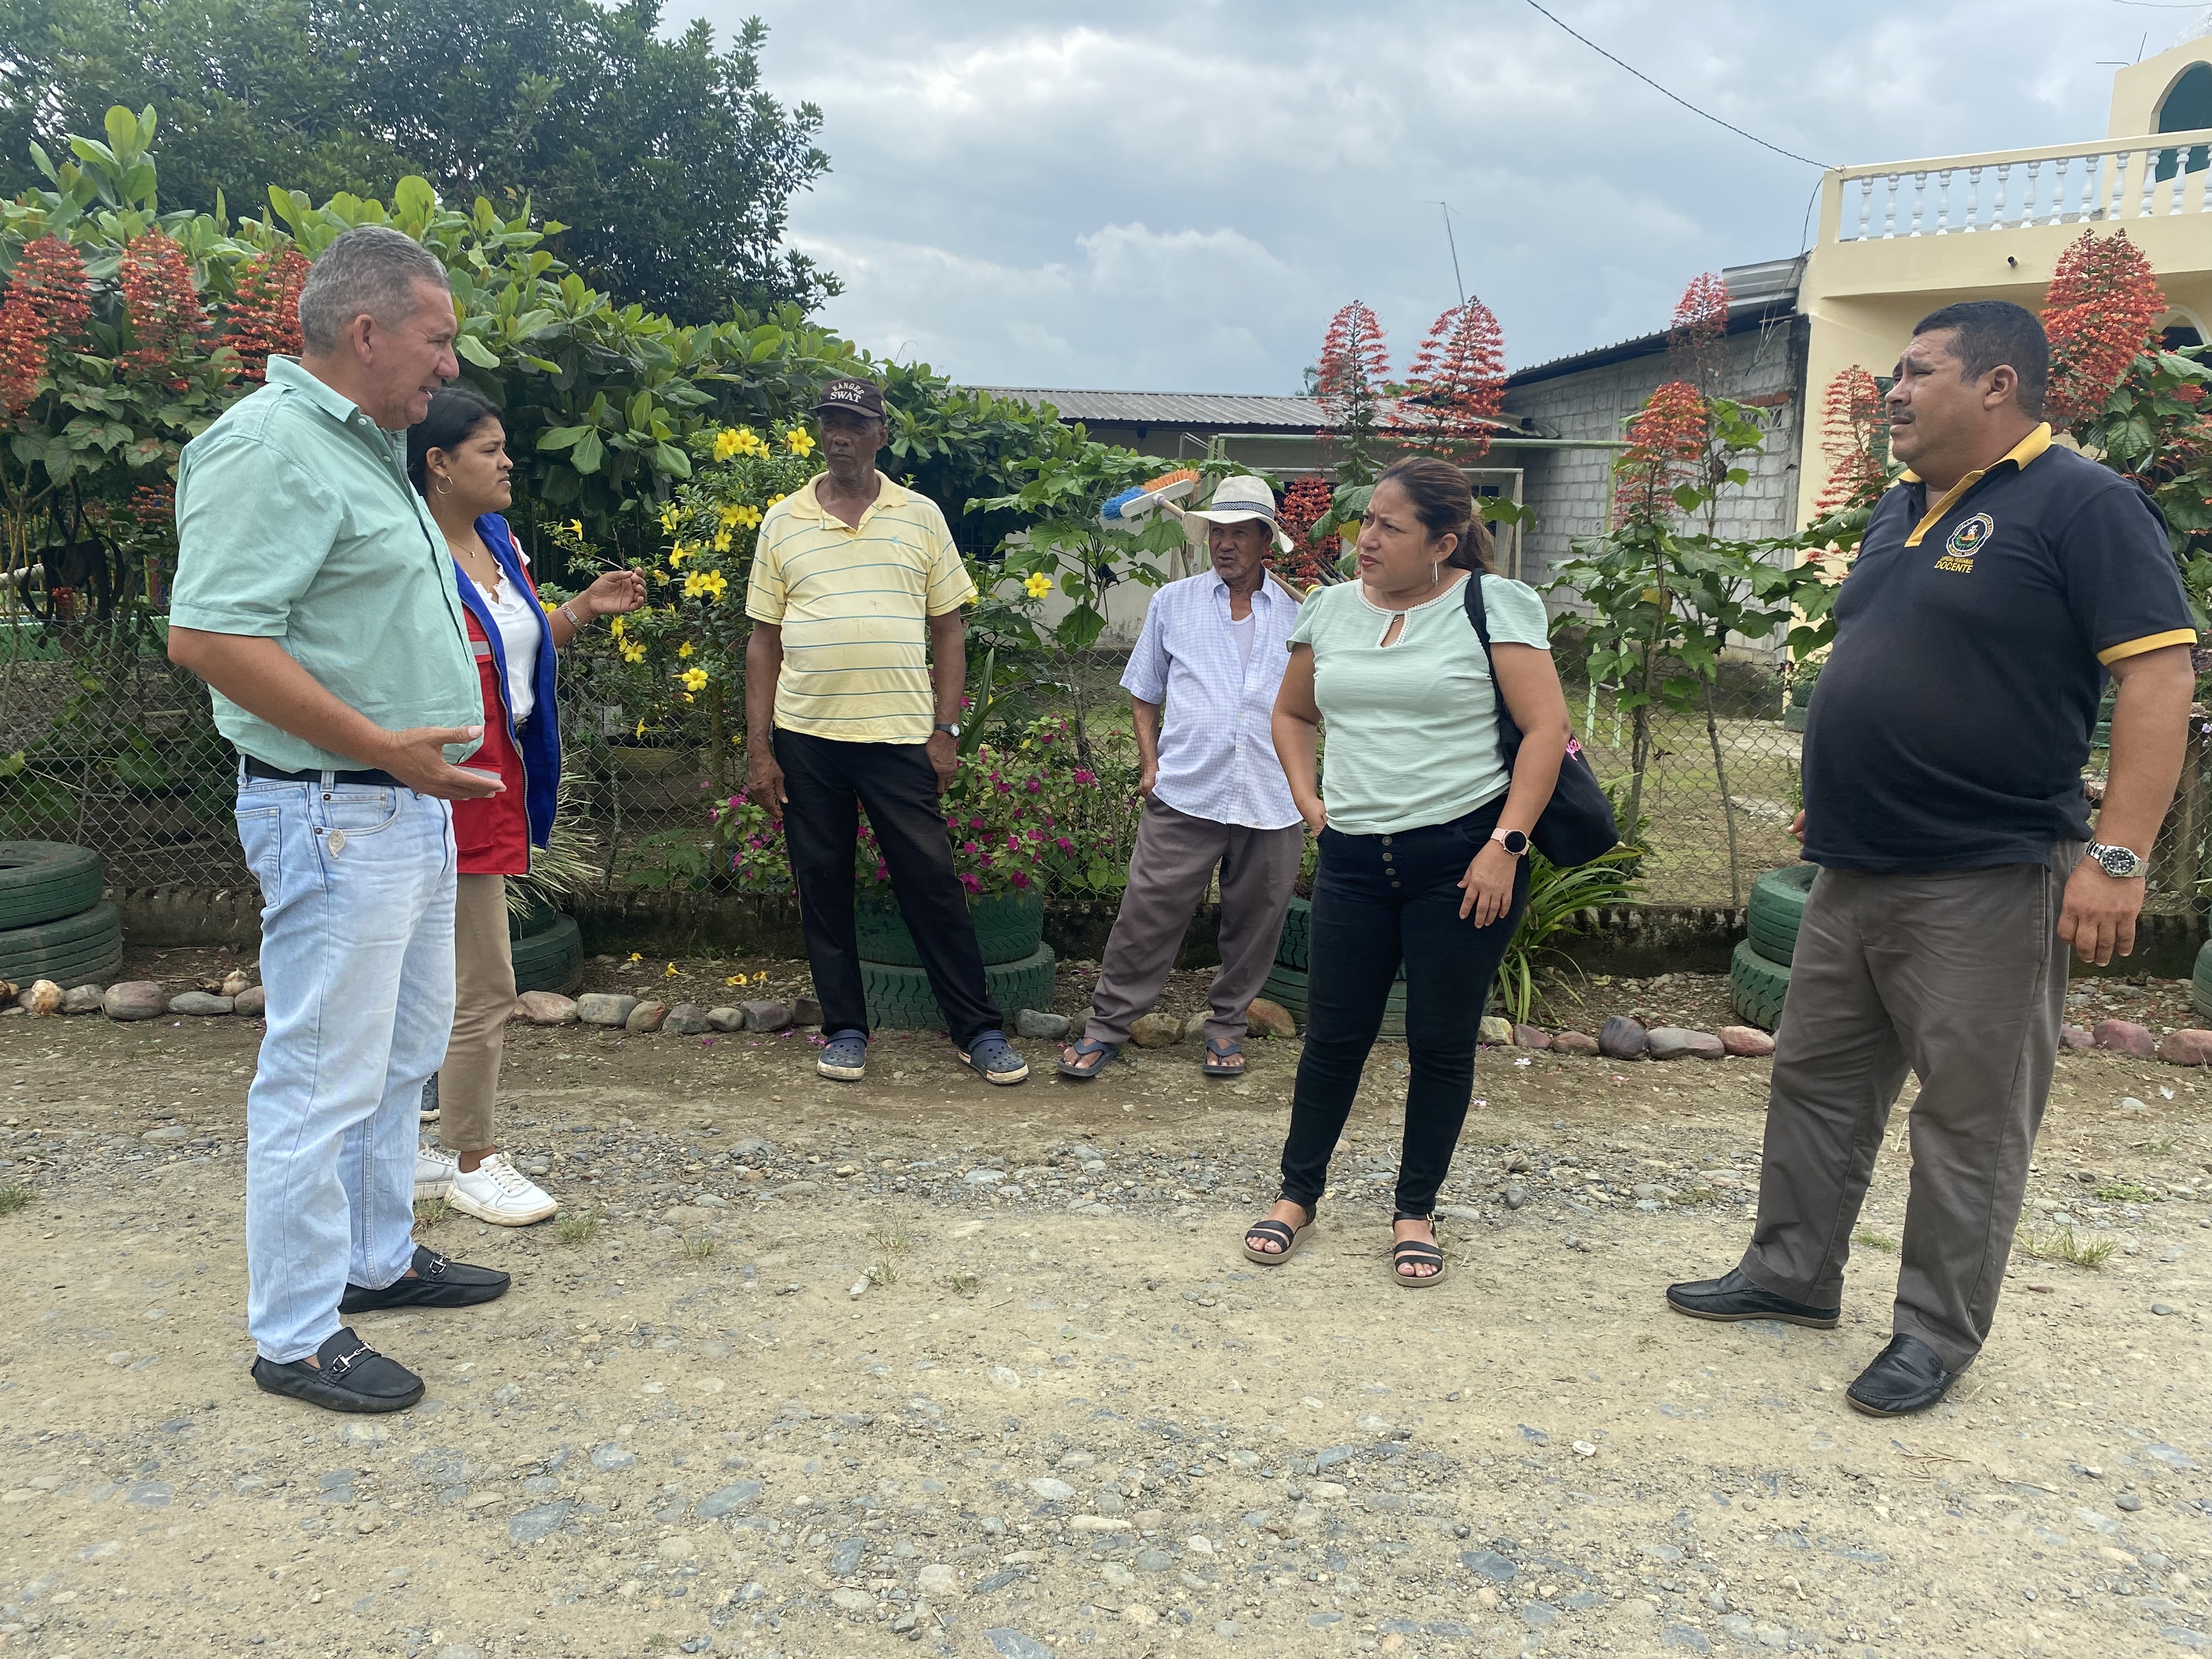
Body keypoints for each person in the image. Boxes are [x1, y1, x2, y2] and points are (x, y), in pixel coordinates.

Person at [1667, 301, 2196, 1416]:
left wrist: (2118, 855)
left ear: (1997, 385)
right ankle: (1790, 1272)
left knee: (1969, 1114)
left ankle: (1934, 1332)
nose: (1891, 394)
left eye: (1916, 373)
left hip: (1989, 870)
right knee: (1817, 1082)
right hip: (1855, 864)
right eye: (1891, 377)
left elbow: (2156, 677)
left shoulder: (2086, 504)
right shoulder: (1902, 506)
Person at [170, 226, 514, 1414]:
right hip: (335, 809)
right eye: (437, 339)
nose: (449, 364)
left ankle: (376, 1259)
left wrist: (403, 765)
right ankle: (297, 1333)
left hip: (397, 809)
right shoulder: (267, 447)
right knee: (320, 1076)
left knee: (398, 1059)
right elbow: (211, 636)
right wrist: (378, 746)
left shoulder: (366, 447)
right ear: (366, 333)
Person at [1247, 457, 1568, 1285]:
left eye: (1390, 527)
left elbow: (1546, 730)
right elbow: (1292, 711)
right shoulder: (1328, 609)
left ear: (1443, 543)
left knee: (1440, 1043)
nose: (1367, 539)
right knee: (1333, 1040)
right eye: (1367, 520)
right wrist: (1309, 801)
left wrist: (1506, 845)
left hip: (1464, 861)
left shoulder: (1494, 604)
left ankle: (1415, 1210)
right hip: (1353, 858)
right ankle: (1296, 1195)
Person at [404, 386, 646, 1224]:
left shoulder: (498, 542)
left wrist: (578, 611)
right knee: (484, 984)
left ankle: (413, 1148)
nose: (508, 463)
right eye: (490, 450)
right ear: (439, 464)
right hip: (432, 792)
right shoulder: (410, 554)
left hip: (495, 783)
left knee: (444, 981)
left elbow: (512, 650)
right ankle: (469, 1157)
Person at [743, 376, 1029, 1085]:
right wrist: (760, 750)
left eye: (853, 423)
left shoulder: (920, 516)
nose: (838, 434)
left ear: (881, 434)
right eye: (829, 421)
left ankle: (977, 1029)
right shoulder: (783, 521)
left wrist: (946, 730)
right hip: (807, 737)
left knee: (931, 883)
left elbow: (949, 630)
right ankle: (845, 1029)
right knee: (823, 885)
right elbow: (763, 641)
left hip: (900, 737)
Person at [1058, 476, 1306, 1081]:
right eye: (1217, 532)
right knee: (1147, 914)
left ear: (1265, 541)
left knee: (1256, 921)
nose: (1225, 545)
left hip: (1272, 794)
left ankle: (1227, 1027)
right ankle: (1107, 1027)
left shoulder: (1301, 613)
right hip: (1187, 790)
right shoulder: (1175, 602)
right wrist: (1150, 765)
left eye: (1240, 534)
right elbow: (1144, 692)